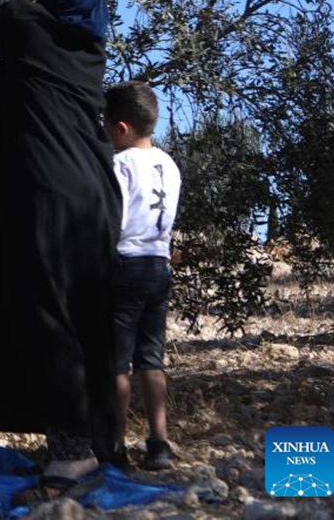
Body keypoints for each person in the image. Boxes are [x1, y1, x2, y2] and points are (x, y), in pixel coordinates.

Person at [0, 0, 122, 496]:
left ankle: (72, 456)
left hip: (49, 198)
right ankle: (99, 441)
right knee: (86, 318)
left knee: (47, 317)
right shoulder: (88, 50)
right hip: (94, 202)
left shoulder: (32, 31)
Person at [103, 80, 181, 470]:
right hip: (159, 265)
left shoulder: (118, 164)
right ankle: (159, 443)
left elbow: (111, 220)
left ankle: (114, 446)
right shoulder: (169, 164)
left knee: (117, 363)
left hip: (125, 266)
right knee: (152, 360)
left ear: (120, 128)